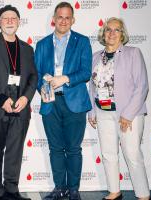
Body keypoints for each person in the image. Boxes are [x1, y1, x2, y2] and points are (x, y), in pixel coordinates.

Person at [0, 5, 38, 200]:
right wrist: (2, 99)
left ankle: (12, 190)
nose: (10, 21)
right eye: (6, 18)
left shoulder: (28, 49)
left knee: (15, 151)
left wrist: (25, 98)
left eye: (14, 18)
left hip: (20, 108)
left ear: (19, 22)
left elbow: (33, 78)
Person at [88, 17, 151, 200]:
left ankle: (143, 195)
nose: (112, 33)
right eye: (108, 29)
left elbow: (142, 86)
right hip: (102, 112)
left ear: (123, 34)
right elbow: (92, 87)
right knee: (108, 154)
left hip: (128, 114)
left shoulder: (133, 53)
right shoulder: (95, 57)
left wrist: (128, 114)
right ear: (103, 33)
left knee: (132, 154)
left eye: (117, 30)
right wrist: (92, 111)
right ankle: (114, 191)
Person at [34, 2, 92, 200]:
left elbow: (85, 72)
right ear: (54, 19)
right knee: (55, 148)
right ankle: (60, 188)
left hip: (75, 102)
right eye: (60, 17)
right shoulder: (41, 44)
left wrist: (64, 79)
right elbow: (36, 74)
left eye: (68, 17)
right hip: (50, 103)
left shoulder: (82, 41)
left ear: (73, 20)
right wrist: (41, 87)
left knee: (74, 149)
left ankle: (73, 189)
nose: (64, 21)